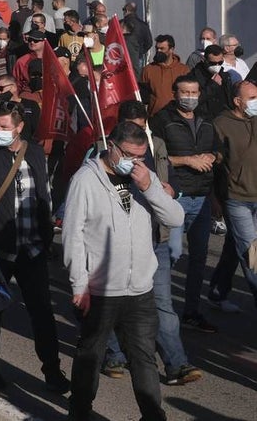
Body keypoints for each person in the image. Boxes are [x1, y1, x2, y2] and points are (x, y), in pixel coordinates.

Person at [63, 122, 184, 421]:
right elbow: (73, 235)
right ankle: (79, 412)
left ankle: (153, 415)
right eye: (129, 154)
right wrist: (80, 285)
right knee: (90, 356)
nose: (135, 162)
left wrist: (149, 187)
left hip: (140, 289)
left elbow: (175, 217)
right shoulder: (85, 180)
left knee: (143, 357)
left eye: (142, 156)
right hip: (102, 290)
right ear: (112, 147)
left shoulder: (144, 177)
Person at [0, 107, 68, 393]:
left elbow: (44, 193)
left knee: (42, 313)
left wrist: (47, 236)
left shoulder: (34, 153)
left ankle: (52, 370)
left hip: (31, 250)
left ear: (19, 127)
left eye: (4, 125)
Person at [152, 74, 219, 333]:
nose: (189, 97)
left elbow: (218, 149)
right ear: (174, 93)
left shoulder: (206, 118)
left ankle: (191, 311)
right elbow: (157, 157)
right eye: (184, 92)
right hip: (176, 196)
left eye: (193, 92)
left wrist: (211, 155)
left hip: (202, 196)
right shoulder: (162, 120)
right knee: (172, 254)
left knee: (199, 258)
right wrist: (188, 160)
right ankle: (162, 313)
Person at [212, 82, 257, 307]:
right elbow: (216, 163)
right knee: (252, 255)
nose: (256, 102)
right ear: (238, 102)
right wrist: (215, 199)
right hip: (237, 198)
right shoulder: (222, 124)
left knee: (235, 245)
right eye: (252, 97)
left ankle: (218, 291)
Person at [141, 35, 188, 118]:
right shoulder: (148, 70)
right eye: (157, 48)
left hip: (177, 117)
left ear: (171, 50)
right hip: (155, 117)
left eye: (162, 49)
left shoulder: (183, 70)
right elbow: (143, 98)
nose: (158, 51)